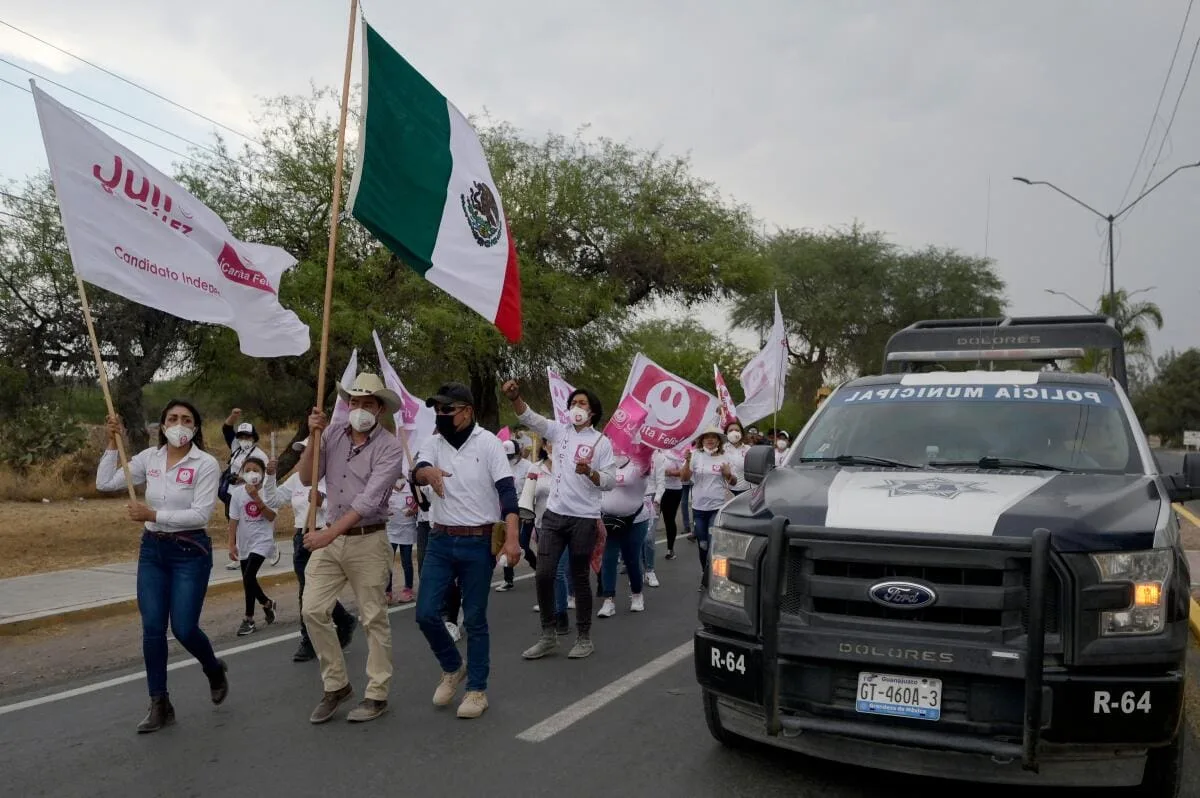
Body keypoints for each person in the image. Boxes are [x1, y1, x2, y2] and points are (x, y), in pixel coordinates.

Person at [95, 400, 229, 734]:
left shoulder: (205, 464)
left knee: (184, 628)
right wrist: (113, 442)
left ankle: (213, 668)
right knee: (153, 628)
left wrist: (152, 514)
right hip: (153, 552)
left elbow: (200, 514)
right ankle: (159, 703)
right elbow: (105, 483)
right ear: (163, 424)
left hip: (190, 552)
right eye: (172, 418)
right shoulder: (149, 459)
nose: (179, 424)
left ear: (195, 428)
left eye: (186, 419)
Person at [297, 373, 406, 725]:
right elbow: (306, 477)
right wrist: (313, 436)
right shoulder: (332, 433)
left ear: (380, 409)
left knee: (373, 617)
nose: (359, 408)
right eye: (354, 402)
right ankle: (336, 685)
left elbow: (368, 500)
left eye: (367, 403)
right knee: (313, 610)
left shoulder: (390, 447)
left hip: (367, 539)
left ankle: (377, 693)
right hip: (332, 537)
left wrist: (328, 535)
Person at [411, 382, 521, 719]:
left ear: (467, 411)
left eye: (447, 409)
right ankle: (452, 666)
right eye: (437, 410)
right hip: (441, 540)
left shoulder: (488, 443)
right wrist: (425, 473)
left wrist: (512, 537)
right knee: (425, 613)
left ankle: (476, 689)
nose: (440, 415)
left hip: (478, 541)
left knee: (474, 618)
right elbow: (417, 471)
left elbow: (507, 493)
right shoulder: (433, 442)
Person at [502, 379, 616, 661]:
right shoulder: (558, 431)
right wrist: (515, 397)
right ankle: (548, 636)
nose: (577, 407)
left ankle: (584, 637)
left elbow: (610, 481)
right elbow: (529, 417)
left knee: (578, 576)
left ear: (592, 411)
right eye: (573, 403)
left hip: (584, 518)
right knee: (544, 573)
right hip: (553, 516)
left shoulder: (601, 442)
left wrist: (590, 473)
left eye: (582, 403)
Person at [275, 438, 356, 663]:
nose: (304, 456)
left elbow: (346, 510)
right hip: (301, 537)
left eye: (308, 452)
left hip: (324, 536)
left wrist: (322, 504)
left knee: (308, 589)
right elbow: (274, 499)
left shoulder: (334, 478)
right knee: (307, 587)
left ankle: (308, 640)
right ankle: (344, 619)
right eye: (302, 453)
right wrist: (269, 477)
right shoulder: (296, 479)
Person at [227, 456, 279, 636]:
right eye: (247, 470)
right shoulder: (237, 493)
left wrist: (256, 497)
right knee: (247, 580)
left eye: (256, 470)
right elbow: (233, 519)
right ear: (242, 473)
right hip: (244, 542)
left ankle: (248, 618)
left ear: (263, 473)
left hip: (262, 541)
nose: (251, 473)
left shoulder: (268, 491)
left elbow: (271, 516)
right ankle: (267, 604)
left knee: (249, 576)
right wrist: (231, 543)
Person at [680, 427, 739, 578]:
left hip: (717, 507)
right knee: (703, 545)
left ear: (719, 441)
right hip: (699, 509)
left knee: (714, 544)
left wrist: (728, 474)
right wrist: (687, 462)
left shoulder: (725, 457)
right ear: (702, 440)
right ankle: (705, 574)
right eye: (707, 437)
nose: (710, 439)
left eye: (714, 437)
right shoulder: (694, 455)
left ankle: (716, 576)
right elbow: (684, 478)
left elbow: (733, 482)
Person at [597, 454, 650, 617]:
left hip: (635, 521)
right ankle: (608, 600)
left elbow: (643, 477)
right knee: (608, 559)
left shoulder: (639, 463)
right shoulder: (604, 463)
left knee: (631, 559)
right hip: (609, 520)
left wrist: (645, 459)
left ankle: (637, 594)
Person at [497, 438, 535, 591]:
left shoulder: (528, 466)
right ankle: (508, 579)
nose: (509, 459)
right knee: (506, 542)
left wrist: (528, 511)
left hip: (525, 509)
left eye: (511, 456)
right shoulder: (502, 466)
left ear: (518, 453)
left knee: (523, 545)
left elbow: (532, 489)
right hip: (507, 508)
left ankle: (539, 569)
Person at [385, 477, 418, 605]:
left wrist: (414, 511)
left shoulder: (411, 487)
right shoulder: (386, 487)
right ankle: (387, 591)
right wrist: (385, 512)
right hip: (391, 530)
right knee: (388, 562)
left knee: (406, 562)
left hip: (407, 530)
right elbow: (379, 504)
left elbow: (419, 504)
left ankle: (408, 589)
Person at [652, 448, 685, 560]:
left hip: (672, 490)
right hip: (655, 490)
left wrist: (669, 472)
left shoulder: (675, 452)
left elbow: (683, 473)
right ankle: (645, 551)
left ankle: (670, 549)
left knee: (669, 520)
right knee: (651, 521)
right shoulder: (652, 453)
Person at [724, 420, 752, 496]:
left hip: (745, 489)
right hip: (727, 490)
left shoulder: (748, 449)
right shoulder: (722, 449)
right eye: (730, 430)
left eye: (737, 430)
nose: (734, 433)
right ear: (726, 434)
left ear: (741, 433)